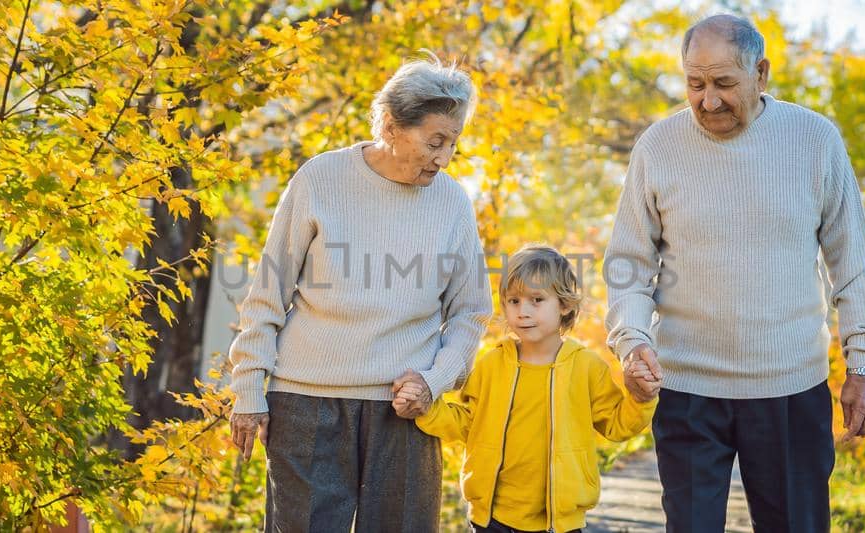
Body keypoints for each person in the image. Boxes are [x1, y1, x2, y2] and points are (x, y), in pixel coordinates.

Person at [604, 14, 865, 532]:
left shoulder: (815, 141)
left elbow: (852, 264)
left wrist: (864, 365)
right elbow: (629, 263)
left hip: (790, 388)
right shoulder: (658, 147)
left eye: (723, 83)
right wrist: (631, 339)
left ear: (761, 73)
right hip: (688, 388)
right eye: (695, 83)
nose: (707, 100)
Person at [226, 55, 492, 533]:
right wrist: (249, 389)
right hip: (306, 403)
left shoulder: (452, 201)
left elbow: (471, 312)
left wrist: (434, 381)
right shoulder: (320, 179)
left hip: (405, 410)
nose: (444, 158)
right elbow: (267, 293)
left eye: (452, 143)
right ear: (391, 126)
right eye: (435, 142)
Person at [395, 244, 660, 533]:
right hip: (492, 519)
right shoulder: (492, 364)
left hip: (559, 522)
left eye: (537, 300)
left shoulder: (586, 367)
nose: (523, 312)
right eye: (514, 301)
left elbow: (618, 425)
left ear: (565, 305)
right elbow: (468, 422)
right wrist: (426, 409)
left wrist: (641, 399)